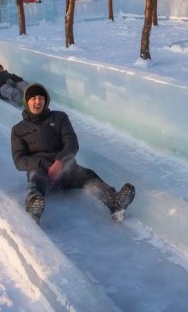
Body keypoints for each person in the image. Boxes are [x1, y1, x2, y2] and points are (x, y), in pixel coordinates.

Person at [11, 83, 135, 224]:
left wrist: (60, 161)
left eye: (41, 98)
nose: (37, 102)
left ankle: (115, 202)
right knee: (34, 183)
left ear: (46, 100)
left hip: (65, 169)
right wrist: (43, 164)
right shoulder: (18, 130)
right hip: (41, 173)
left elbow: (72, 143)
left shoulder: (59, 118)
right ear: (27, 102)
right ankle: (33, 207)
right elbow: (19, 160)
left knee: (88, 176)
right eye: (33, 98)